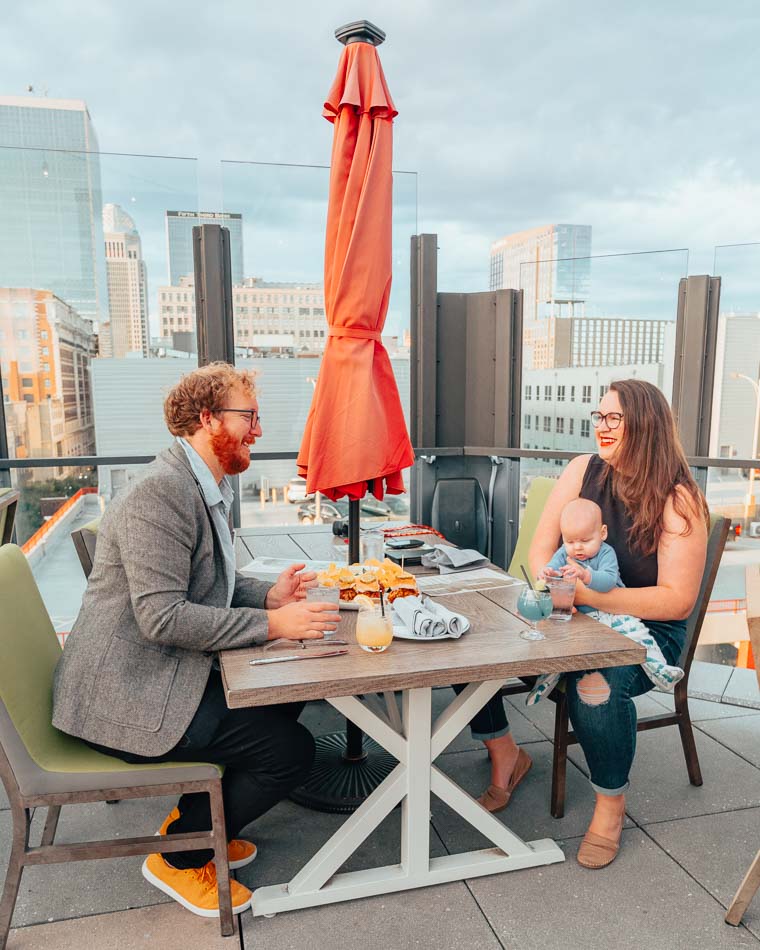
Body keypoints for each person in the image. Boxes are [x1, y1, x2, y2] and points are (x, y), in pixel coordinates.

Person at [52, 362, 340, 918]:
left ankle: (197, 821)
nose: (258, 430)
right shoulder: (160, 494)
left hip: (157, 672)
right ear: (207, 419)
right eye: (248, 417)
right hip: (124, 695)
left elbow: (210, 582)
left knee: (286, 695)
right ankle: (179, 857)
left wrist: (267, 598)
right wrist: (273, 627)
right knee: (290, 752)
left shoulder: (208, 484)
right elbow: (162, 617)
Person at [457, 379, 707, 872]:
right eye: (599, 416)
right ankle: (506, 753)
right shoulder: (580, 471)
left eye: (614, 418)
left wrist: (589, 595)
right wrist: (555, 588)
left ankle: (611, 804)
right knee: (464, 638)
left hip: (644, 630)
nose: (602, 427)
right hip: (568, 609)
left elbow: (676, 602)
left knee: (596, 685)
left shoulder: (678, 499)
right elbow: (537, 548)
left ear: (647, 425)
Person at [525, 497, 684, 706]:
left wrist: (585, 575)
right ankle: (545, 681)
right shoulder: (565, 553)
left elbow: (608, 582)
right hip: (582, 618)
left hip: (612, 614)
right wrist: (547, 572)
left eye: (584, 541)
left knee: (638, 634)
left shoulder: (606, 552)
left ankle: (660, 669)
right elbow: (553, 569)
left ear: (602, 533)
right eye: (570, 541)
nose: (577, 548)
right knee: (558, 647)